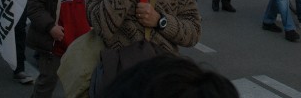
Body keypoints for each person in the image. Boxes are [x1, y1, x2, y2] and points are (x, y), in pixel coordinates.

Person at [100, 54, 240, 98]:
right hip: (122, 70)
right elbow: (104, 25)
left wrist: (161, 21)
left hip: (171, 75)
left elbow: (192, 31)